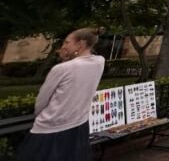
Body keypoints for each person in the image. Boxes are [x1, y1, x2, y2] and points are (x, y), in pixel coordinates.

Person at [17, 28, 105, 161]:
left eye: (67, 42)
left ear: (80, 44)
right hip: (79, 124)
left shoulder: (61, 68)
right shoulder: (99, 62)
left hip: (51, 128)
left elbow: (42, 101)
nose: (63, 46)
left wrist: (40, 117)